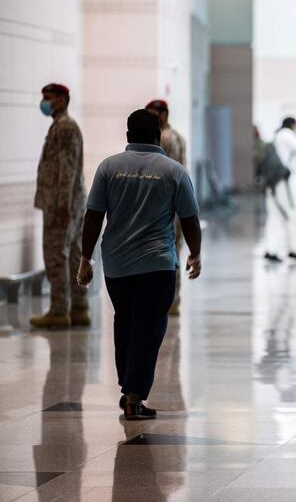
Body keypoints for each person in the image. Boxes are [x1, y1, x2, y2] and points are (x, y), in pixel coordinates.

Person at [77, 109, 202, 420]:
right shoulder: (174, 171)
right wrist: (195, 254)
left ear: (128, 135)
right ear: (159, 135)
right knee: (149, 329)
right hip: (158, 265)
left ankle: (128, 388)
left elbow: (93, 216)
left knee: (126, 323)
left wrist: (85, 258)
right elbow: (190, 219)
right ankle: (134, 395)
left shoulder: (109, 168)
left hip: (117, 266)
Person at [30, 83, 89, 328]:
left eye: (50, 98)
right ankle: (78, 308)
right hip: (70, 204)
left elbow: (68, 169)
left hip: (61, 205)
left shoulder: (65, 127)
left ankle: (58, 311)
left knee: (56, 256)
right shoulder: (62, 126)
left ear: (63, 100)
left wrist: (63, 205)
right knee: (74, 256)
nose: (45, 102)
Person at [146, 100, 187, 315]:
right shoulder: (178, 136)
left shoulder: (163, 139)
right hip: (178, 205)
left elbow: (160, 175)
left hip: (165, 207)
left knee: (163, 254)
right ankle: (174, 300)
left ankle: (167, 300)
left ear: (163, 115)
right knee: (173, 253)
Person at [263, 117, 296, 262]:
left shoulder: (279, 136)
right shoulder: (286, 134)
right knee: (294, 214)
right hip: (287, 182)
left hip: (280, 182)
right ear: (292, 125)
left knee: (279, 215)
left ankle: (278, 249)